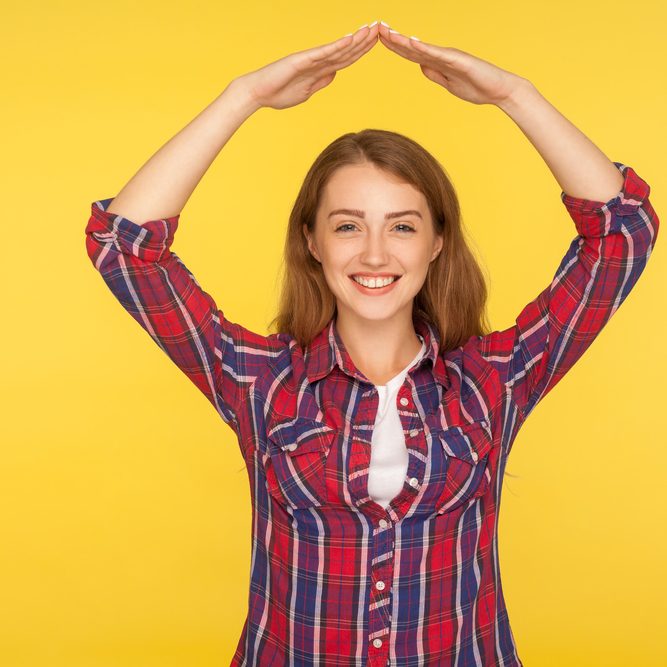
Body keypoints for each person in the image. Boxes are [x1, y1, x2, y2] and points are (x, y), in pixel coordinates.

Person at [84, 20, 659, 667]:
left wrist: (513, 95)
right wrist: (243, 96)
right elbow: (124, 247)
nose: (376, 253)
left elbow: (622, 233)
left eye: (403, 226)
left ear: (436, 241)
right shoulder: (262, 382)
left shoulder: (490, 381)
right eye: (348, 225)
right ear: (313, 240)